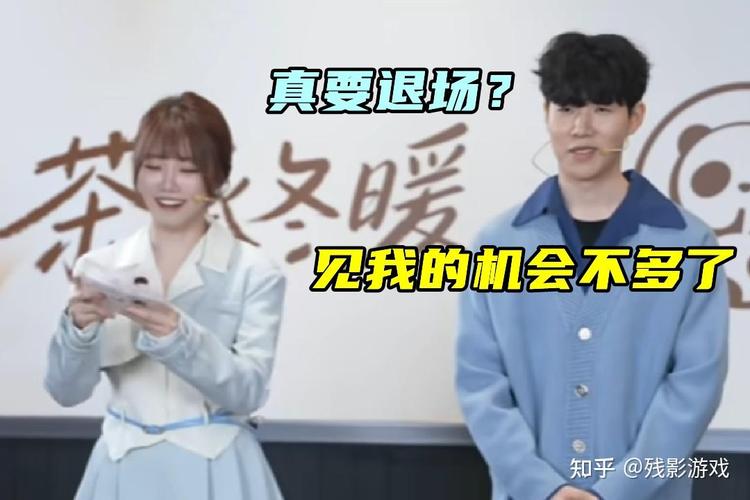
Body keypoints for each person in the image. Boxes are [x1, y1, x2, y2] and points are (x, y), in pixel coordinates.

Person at [456, 33, 729, 500]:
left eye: (602, 108)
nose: (581, 127)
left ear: (635, 117)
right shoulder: (496, 244)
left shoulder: (690, 243)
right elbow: (480, 384)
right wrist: (544, 489)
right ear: (546, 113)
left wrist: (615, 491)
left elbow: (694, 387)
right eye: (565, 108)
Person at [44, 91, 286, 500]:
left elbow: (248, 392)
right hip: (122, 465)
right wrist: (78, 330)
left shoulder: (254, 270)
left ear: (217, 179)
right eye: (153, 167)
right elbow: (66, 392)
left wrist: (180, 337)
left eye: (188, 169)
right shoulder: (101, 266)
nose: (167, 183)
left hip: (217, 467)